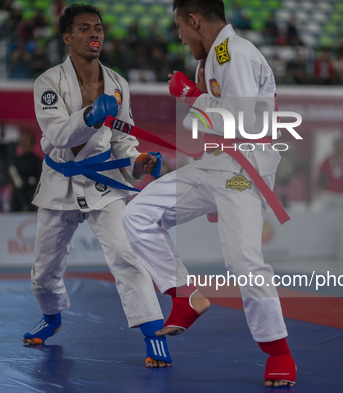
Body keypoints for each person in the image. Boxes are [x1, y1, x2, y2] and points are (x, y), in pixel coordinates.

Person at [122, 0, 296, 387]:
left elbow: (246, 120)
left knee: (243, 261)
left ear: (194, 20)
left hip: (242, 172)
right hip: (217, 164)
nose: (181, 39)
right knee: (138, 214)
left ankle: (279, 352)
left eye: (181, 29)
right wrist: (196, 93)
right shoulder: (214, 59)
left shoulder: (234, 53)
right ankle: (184, 295)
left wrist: (190, 95)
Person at [24, 4, 172, 369]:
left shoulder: (118, 84)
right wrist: (90, 115)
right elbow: (56, 133)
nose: (94, 34)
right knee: (45, 273)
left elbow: (122, 137)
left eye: (99, 28)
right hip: (60, 182)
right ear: (67, 37)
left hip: (103, 184)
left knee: (125, 255)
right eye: (85, 28)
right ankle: (53, 317)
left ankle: (154, 335)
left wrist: (136, 160)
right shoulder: (48, 83)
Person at [9, 131, 42, 212]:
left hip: (30, 195)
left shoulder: (37, 161)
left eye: (27, 142)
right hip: (17, 197)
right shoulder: (16, 161)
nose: (24, 144)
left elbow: (39, 180)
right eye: (23, 142)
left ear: (31, 143)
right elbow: (14, 179)